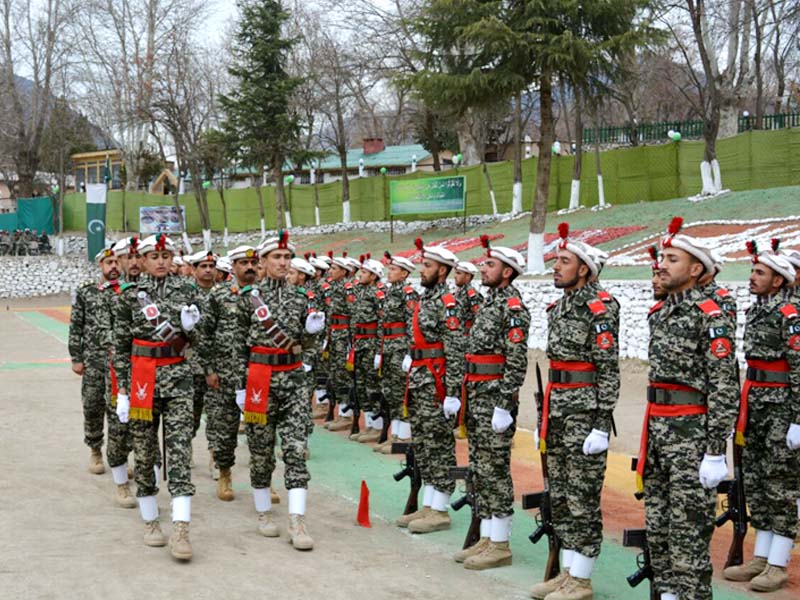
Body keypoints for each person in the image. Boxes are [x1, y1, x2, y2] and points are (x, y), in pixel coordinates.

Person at [635, 217, 739, 600]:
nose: (661, 264)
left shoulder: (710, 316)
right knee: (659, 529)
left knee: (688, 535)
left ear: (695, 270)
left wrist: (715, 451)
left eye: (672, 259)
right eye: (662, 257)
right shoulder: (660, 313)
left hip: (690, 435)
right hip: (660, 432)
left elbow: (724, 386)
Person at [530, 223, 619, 600]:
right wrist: (543, 420)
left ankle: (581, 579)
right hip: (558, 409)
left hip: (584, 414)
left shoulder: (601, 308)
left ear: (584, 268)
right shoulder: (559, 306)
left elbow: (607, 369)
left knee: (582, 497)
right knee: (562, 496)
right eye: (555, 260)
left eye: (563, 261)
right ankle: (568, 571)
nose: (555, 266)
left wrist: (601, 425)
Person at [113, 234, 202, 560]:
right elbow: (121, 346)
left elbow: (200, 340)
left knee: (180, 453)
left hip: (178, 382)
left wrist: (191, 327)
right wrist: (122, 389)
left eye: (166, 255)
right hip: (142, 383)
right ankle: (151, 520)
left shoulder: (188, 291)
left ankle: (181, 529)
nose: (161, 261)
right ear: (142, 260)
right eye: (154, 255)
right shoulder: (129, 296)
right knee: (145, 452)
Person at [235, 232, 325, 550]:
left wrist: (313, 335)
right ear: (262, 261)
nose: (283, 263)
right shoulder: (247, 299)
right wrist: (238, 387)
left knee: (296, 449)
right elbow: (236, 347)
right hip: (259, 379)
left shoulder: (300, 296)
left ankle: (297, 521)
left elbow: (308, 341)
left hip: (293, 379)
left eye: (287, 258)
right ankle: (263, 513)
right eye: (277, 257)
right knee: (261, 452)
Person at [722, 240, 799, 592]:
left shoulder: (790, 316)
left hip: (782, 406)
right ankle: (761, 557)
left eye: (760, 273)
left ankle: (779, 563)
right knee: (756, 481)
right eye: (753, 271)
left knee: (781, 484)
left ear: (779, 281)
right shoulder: (757, 311)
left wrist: (798, 418)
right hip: (755, 404)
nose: (752, 277)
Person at [456, 239, 529, 570]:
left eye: (490, 265)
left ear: (507, 272)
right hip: (477, 394)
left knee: (495, 469)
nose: (482, 269)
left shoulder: (512, 306)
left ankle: (500, 543)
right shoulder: (490, 302)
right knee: (480, 467)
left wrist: (504, 403)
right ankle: (487, 537)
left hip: (494, 397)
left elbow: (516, 358)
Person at [396, 238, 464, 535]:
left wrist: (451, 393)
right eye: (423, 264)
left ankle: (441, 509)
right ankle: (428, 504)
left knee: (439, 445)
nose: (421, 270)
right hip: (421, 378)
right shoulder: (427, 299)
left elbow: (455, 349)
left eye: (428, 266)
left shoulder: (448, 304)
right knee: (423, 444)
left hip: (436, 381)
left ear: (443, 271)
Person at [200, 245, 259, 502]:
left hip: (258, 372)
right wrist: (209, 369)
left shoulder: (266, 294)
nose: (249, 268)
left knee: (263, 430)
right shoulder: (218, 294)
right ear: (233, 267)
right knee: (225, 429)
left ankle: (264, 479)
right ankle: (224, 472)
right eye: (243, 263)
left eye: (254, 263)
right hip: (224, 374)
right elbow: (205, 334)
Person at [69, 245, 124, 475]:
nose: (113, 267)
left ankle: (119, 456)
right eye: (109, 263)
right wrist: (76, 357)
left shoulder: (128, 292)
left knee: (119, 412)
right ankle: (95, 450)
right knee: (92, 406)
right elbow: (76, 326)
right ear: (101, 265)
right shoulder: (87, 291)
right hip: (93, 361)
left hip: (119, 364)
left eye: (117, 262)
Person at [373, 251, 418, 453]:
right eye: (389, 268)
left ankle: (404, 437)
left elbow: (412, 323)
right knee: (390, 391)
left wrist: (410, 352)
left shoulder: (408, 293)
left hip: (400, 346)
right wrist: (379, 351)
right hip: (389, 346)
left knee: (401, 391)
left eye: (393, 269)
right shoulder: (390, 291)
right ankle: (395, 434)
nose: (388, 272)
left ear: (404, 274)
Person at [349, 254, 386, 443]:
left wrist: (379, 350)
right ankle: (370, 424)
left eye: (364, 272)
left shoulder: (378, 293)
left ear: (373, 276)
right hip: (360, 343)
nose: (359, 275)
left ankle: (378, 426)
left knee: (373, 386)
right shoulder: (360, 291)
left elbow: (382, 322)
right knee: (361, 385)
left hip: (371, 343)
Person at [324, 253, 356, 431]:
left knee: (343, 373)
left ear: (344, 272)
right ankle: (341, 411)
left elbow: (352, 314)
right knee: (334, 372)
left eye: (334, 269)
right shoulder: (333, 286)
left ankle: (347, 413)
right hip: (334, 333)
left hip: (344, 335)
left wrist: (351, 341)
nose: (331, 271)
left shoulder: (347, 288)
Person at [454, 261, 483, 335]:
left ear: (468, 276)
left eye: (458, 273)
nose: (454, 276)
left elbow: (478, 316)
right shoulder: (458, 292)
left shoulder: (472, 295)